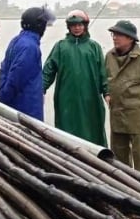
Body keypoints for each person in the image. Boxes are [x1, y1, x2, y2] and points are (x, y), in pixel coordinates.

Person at [42, 10, 108, 146]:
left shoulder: (94, 47)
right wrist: (40, 88)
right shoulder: (60, 46)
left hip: (91, 99)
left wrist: (107, 92)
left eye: (79, 25)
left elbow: (103, 73)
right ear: (69, 27)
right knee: (66, 132)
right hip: (66, 99)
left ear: (85, 26)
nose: (77, 28)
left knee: (93, 129)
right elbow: (48, 70)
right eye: (73, 25)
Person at [105, 20, 140, 176]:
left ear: (130, 38)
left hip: (138, 115)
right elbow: (105, 82)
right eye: (113, 34)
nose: (114, 38)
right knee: (118, 157)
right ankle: (122, 186)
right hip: (117, 114)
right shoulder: (109, 56)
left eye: (119, 35)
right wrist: (107, 95)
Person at [0, 7, 51, 120]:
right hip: (26, 107)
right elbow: (16, 77)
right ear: (40, 26)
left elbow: (4, 69)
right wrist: (4, 97)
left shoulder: (16, 40)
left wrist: (2, 96)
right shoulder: (30, 47)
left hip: (14, 104)